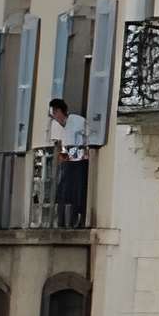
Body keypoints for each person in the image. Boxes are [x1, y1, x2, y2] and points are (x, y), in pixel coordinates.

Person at [45, 95, 89, 230]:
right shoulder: (58, 126)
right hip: (67, 160)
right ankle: (63, 220)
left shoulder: (77, 121)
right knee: (63, 190)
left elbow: (88, 137)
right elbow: (60, 144)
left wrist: (85, 151)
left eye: (54, 113)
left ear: (59, 111)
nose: (54, 117)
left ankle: (77, 219)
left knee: (78, 190)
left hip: (79, 160)